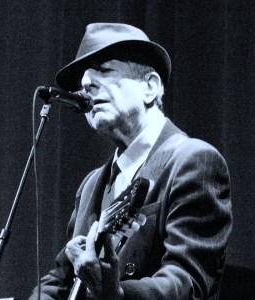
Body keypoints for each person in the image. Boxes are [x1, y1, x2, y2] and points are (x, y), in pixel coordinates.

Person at [29, 23, 232, 299]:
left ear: (150, 87)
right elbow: (61, 279)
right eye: (83, 80)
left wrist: (118, 293)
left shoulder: (195, 162)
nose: (86, 84)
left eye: (104, 70)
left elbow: (187, 281)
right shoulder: (90, 185)